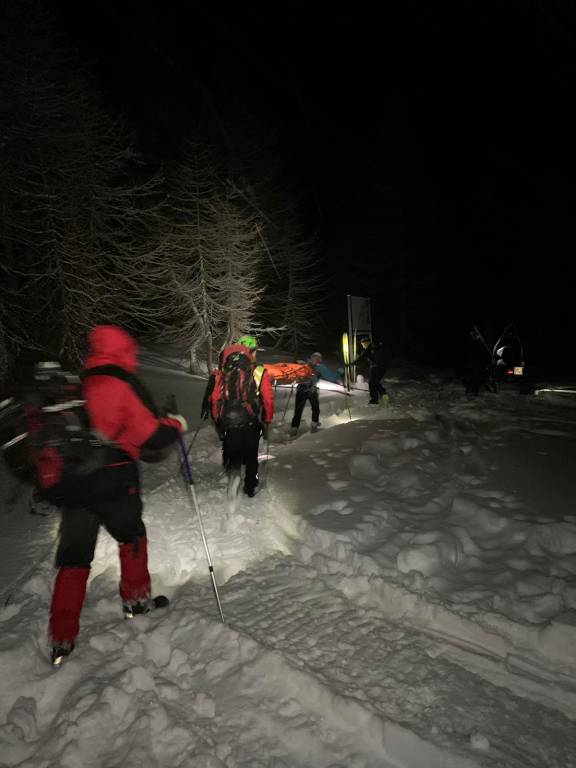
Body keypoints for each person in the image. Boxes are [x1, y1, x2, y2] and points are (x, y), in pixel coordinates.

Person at [48, 325, 187, 665]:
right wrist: (177, 425)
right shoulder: (122, 381)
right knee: (133, 538)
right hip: (114, 481)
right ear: (125, 349)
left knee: (74, 559)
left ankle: (61, 639)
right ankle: (136, 603)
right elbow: (150, 434)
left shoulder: (79, 383)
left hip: (76, 486)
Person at [208, 335, 273, 497]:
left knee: (231, 449)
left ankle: (233, 476)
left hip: (229, 419)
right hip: (250, 420)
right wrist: (267, 419)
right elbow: (267, 399)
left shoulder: (223, 370)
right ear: (252, 351)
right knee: (251, 453)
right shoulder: (259, 371)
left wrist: (218, 419)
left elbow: (215, 397)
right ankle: (250, 485)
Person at [290, 352, 342, 437]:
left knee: (298, 411)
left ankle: (294, 429)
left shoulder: (305, 364)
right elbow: (331, 377)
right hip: (311, 390)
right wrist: (339, 373)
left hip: (301, 389)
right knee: (315, 408)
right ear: (319, 359)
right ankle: (314, 425)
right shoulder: (320, 367)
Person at [349, 337, 389, 404]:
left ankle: (374, 400)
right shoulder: (371, 348)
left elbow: (363, 358)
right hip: (380, 368)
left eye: (363, 344)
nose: (363, 346)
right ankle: (383, 394)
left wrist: (352, 364)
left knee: (372, 384)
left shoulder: (372, 348)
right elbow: (362, 358)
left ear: (367, 343)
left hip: (377, 368)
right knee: (375, 382)